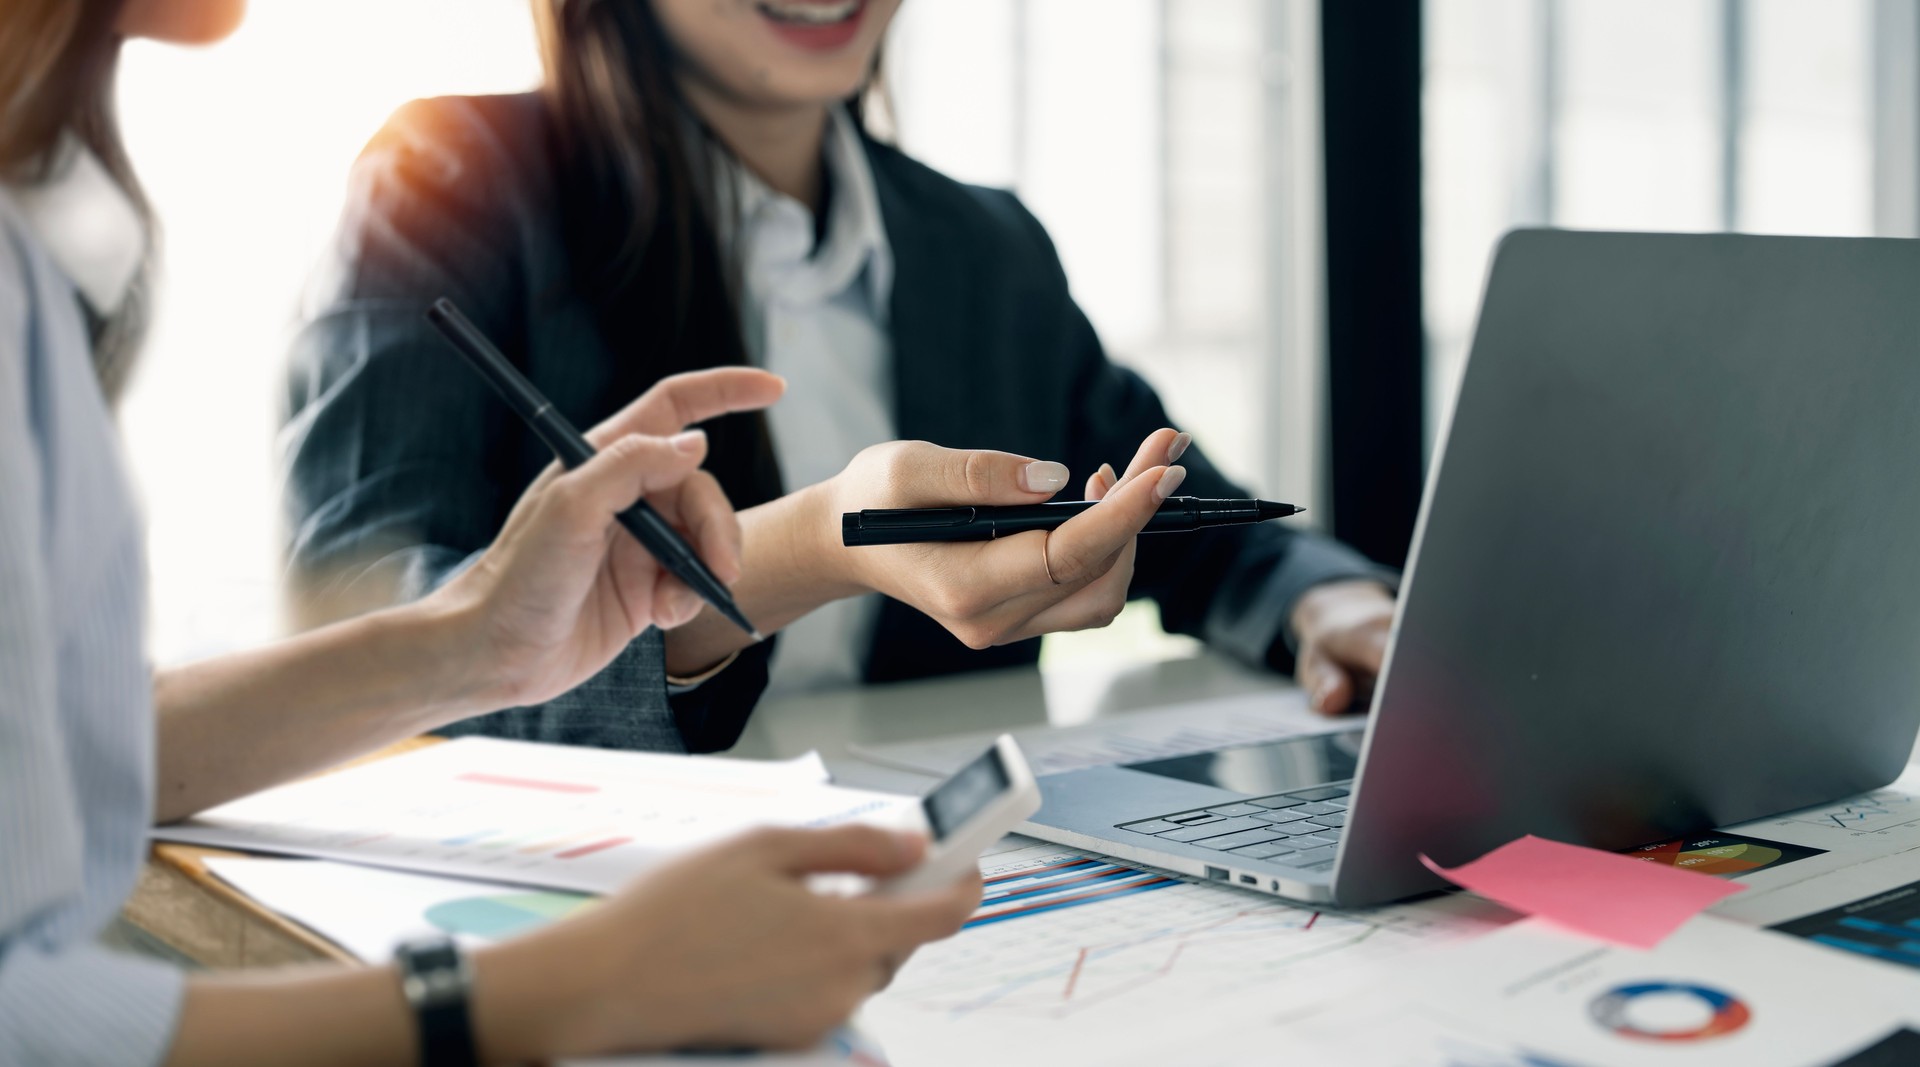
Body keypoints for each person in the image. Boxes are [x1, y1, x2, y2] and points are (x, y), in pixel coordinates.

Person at [0, 1, 979, 1062]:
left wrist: (475, 638)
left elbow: (65, 753)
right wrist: (580, 983)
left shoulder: (981, 245)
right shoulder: (457, 172)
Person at [282, 0, 1400, 754]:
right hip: (608, 902)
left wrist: (1326, 598)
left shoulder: (983, 244)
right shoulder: (449, 182)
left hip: (949, 881)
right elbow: (359, 616)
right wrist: (800, 549)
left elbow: (1194, 513)